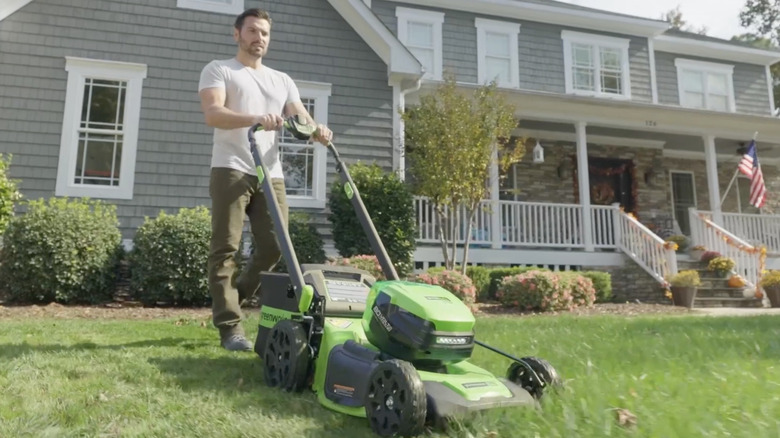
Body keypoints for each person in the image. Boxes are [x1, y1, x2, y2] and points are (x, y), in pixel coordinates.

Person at [197, 8, 333, 351]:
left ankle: (232, 299)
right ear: (237, 34)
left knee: (275, 246)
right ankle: (230, 328)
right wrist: (256, 118)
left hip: (270, 173)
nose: (259, 38)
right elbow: (213, 114)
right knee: (225, 248)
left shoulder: (281, 80)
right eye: (253, 31)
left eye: (265, 33)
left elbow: (300, 117)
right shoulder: (219, 69)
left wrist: (317, 130)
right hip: (231, 167)